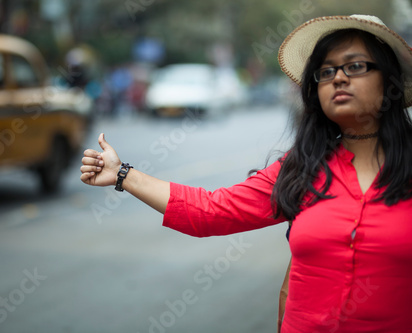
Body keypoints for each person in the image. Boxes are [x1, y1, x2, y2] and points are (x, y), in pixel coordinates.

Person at [80, 15, 412, 332]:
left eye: (354, 66)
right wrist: (122, 174)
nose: (338, 78)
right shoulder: (302, 168)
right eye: (325, 72)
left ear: (388, 79)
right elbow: (212, 211)